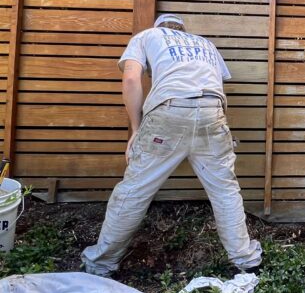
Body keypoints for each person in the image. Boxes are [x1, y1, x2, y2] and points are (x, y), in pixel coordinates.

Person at [82, 14, 262, 276]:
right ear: (182, 29)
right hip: (214, 112)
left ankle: (100, 265)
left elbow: (132, 79)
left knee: (134, 190)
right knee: (225, 190)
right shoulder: (205, 44)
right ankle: (247, 262)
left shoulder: (147, 36)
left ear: (158, 27)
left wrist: (135, 129)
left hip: (169, 111)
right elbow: (215, 84)